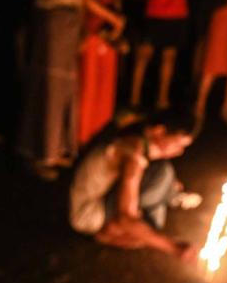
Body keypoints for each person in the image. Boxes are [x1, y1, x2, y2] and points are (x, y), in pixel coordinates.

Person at [21, 0, 123, 180]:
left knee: (66, 88)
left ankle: (59, 147)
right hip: (51, 18)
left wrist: (102, 21)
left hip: (71, 21)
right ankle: (40, 151)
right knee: (49, 88)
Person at [68, 111, 198, 261]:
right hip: (88, 211)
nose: (180, 152)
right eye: (178, 144)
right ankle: (106, 234)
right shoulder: (133, 152)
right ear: (159, 131)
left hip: (99, 197)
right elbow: (126, 218)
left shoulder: (138, 137)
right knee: (151, 218)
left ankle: (169, 197)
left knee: (161, 188)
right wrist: (175, 248)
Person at [78, 0, 126, 146]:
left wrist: (117, 23)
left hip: (109, 28)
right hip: (91, 25)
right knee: (88, 83)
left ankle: (99, 135)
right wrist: (111, 18)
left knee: (105, 84)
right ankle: (81, 136)